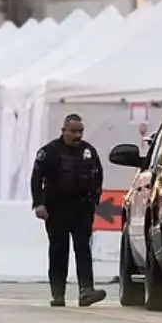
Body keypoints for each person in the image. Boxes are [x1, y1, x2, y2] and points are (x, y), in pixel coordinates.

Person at [31, 113, 107, 307]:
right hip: (57, 208)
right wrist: (39, 203)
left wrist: (94, 201)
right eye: (73, 131)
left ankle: (86, 291)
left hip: (82, 208)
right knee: (58, 250)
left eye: (80, 131)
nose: (77, 135)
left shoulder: (89, 151)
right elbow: (36, 179)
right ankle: (58, 293)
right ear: (63, 130)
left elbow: (98, 176)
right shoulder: (49, 152)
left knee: (83, 248)